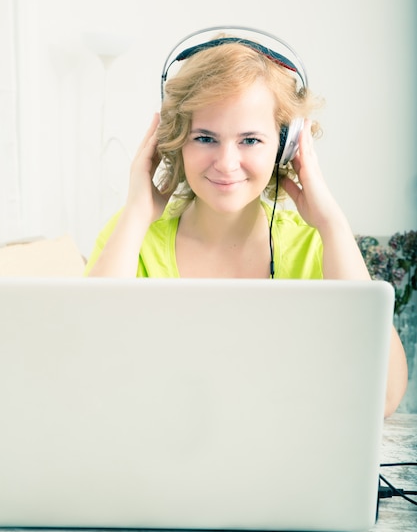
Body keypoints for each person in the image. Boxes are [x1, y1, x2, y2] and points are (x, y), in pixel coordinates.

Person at [84, 28, 408, 416]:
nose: (226, 162)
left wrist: (333, 225)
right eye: (205, 137)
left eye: (250, 140)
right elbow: (86, 371)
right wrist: (137, 213)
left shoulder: (316, 247)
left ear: (286, 146)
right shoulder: (131, 235)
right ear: (175, 140)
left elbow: (385, 399)